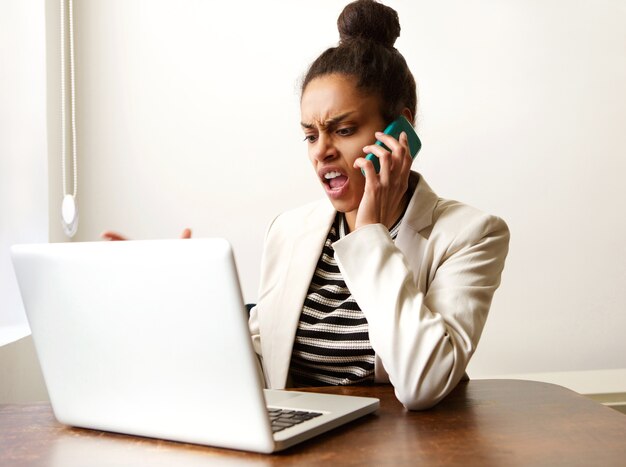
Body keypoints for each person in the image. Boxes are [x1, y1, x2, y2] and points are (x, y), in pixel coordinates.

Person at [105, 0, 509, 411]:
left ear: (399, 132)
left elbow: (425, 382)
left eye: (344, 129)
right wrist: (182, 302)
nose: (322, 152)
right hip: (298, 443)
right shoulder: (289, 230)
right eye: (310, 136)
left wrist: (370, 234)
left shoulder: (470, 235)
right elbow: (263, 371)